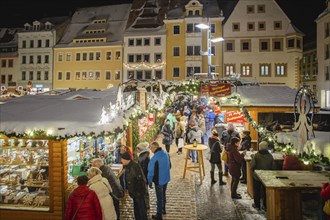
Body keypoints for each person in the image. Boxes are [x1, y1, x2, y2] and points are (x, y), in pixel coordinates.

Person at [121, 151, 148, 220]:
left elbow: (141, 180)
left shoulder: (134, 166)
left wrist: (137, 193)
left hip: (138, 193)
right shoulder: (128, 166)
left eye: (122, 159)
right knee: (137, 210)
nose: (121, 161)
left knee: (141, 210)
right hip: (135, 193)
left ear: (127, 160)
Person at [147, 142, 171, 220]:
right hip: (166, 178)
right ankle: (163, 209)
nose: (150, 149)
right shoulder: (166, 153)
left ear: (155, 148)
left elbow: (150, 172)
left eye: (151, 147)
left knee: (159, 198)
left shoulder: (154, 158)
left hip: (159, 181)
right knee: (163, 194)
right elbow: (170, 165)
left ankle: (159, 215)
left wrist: (149, 181)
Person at [250, 141, 275, 211]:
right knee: (265, 191)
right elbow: (273, 166)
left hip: (257, 176)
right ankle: (265, 206)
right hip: (267, 176)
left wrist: (253, 171)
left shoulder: (257, 155)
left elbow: (252, 165)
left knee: (257, 190)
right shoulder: (270, 156)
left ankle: (257, 205)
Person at [136, 141, 151, 209]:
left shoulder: (144, 157)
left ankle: (146, 204)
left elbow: (143, 169)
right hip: (144, 176)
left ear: (141, 149)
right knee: (145, 190)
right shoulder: (144, 155)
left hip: (144, 176)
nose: (137, 150)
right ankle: (145, 204)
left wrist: (141, 177)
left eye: (138, 148)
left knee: (145, 191)